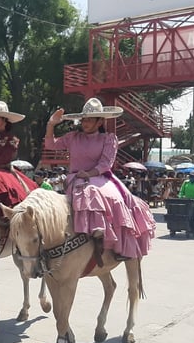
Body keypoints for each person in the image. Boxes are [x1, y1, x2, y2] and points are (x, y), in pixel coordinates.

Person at [45, 97, 155, 261]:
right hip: (76, 178)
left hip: (100, 176)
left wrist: (89, 173)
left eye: (90, 119)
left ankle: (116, 243)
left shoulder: (108, 139)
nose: (85, 123)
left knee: (117, 199)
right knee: (86, 191)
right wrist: (51, 125)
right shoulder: (73, 137)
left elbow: (106, 163)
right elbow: (51, 145)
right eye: (84, 119)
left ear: (100, 122)